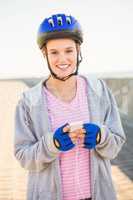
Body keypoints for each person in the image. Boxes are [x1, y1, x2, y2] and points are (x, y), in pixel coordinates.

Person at [14, 13, 126, 200]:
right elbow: (23, 156)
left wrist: (100, 135)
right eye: (54, 52)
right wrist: (53, 144)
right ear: (44, 54)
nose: (62, 59)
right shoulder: (29, 101)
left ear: (78, 50)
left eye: (68, 50)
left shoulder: (99, 91)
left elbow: (116, 145)